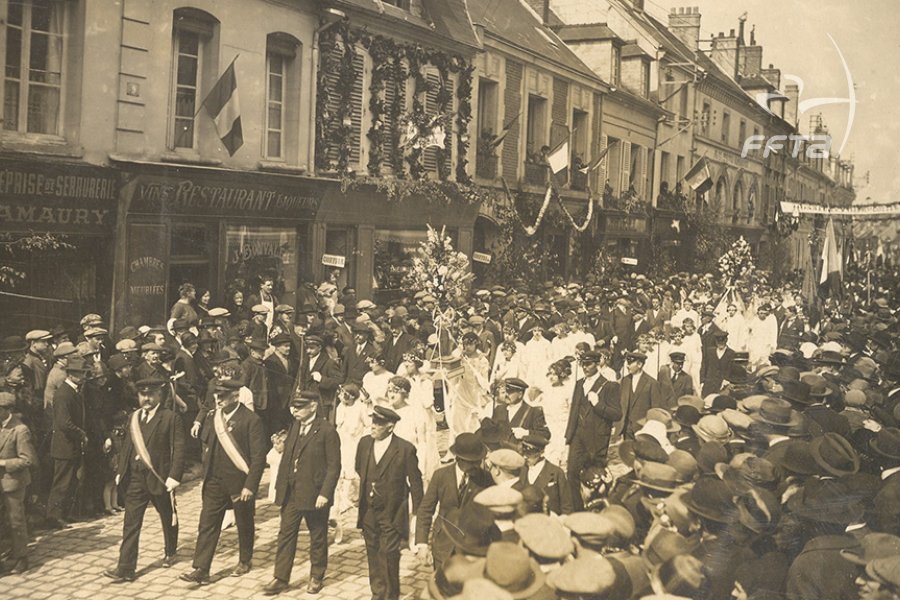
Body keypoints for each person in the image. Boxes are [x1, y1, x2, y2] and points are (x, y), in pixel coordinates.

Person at [180, 379, 266, 584]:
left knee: (244, 522)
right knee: (207, 523)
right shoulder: (213, 417)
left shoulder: (250, 420)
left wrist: (250, 485)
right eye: (217, 396)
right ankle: (201, 568)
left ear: (236, 396)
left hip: (239, 482)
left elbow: (258, 458)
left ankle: (245, 560)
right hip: (214, 481)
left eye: (223, 396)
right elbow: (207, 444)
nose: (218, 400)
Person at [103, 376, 184, 583]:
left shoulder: (170, 417)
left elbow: (179, 449)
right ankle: (126, 567)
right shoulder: (134, 417)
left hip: (160, 477)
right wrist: (121, 471)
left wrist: (174, 476)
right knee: (131, 523)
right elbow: (128, 446)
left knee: (167, 516)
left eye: (151, 394)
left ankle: (170, 550)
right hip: (136, 478)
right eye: (143, 395)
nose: (146, 399)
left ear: (159, 395)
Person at [263, 391, 340, 596]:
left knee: (317, 535)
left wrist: (325, 493)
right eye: (294, 407)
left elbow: (334, 466)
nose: (294, 410)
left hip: (315, 494)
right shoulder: (295, 426)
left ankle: (316, 576)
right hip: (292, 492)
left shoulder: (327, 430)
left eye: (300, 406)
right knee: (286, 534)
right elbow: (289, 458)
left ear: (313, 406)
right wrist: (280, 488)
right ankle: (280, 577)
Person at [355, 406, 423, 600]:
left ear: (390, 427)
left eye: (378, 423)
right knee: (372, 551)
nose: (373, 426)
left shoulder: (404, 449)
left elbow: (415, 482)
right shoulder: (364, 443)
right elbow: (360, 469)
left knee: (390, 554)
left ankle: (391, 595)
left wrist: (418, 514)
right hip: (368, 510)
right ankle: (377, 592)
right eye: (373, 421)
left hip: (392, 512)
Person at [414, 432, 492, 570]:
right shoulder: (441, 476)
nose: (476, 465)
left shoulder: (486, 479)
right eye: (471, 461)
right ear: (459, 459)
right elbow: (425, 510)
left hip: (472, 551)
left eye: (478, 460)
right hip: (443, 546)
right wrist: (422, 544)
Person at [564, 350, 621, 511]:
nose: (585, 367)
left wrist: (598, 405)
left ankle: (598, 508)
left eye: (588, 364)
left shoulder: (609, 386)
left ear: (597, 364)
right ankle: (577, 510)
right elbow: (574, 411)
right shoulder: (579, 383)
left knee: (595, 477)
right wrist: (568, 437)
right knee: (572, 473)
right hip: (578, 437)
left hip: (597, 437)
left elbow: (617, 414)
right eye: (582, 364)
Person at [46, 355, 93, 529]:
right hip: (64, 446)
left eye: (84, 373)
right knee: (62, 482)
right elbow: (63, 423)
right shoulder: (63, 394)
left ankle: (64, 513)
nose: (83, 377)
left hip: (71, 445)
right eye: (80, 374)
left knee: (71, 480)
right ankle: (54, 516)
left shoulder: (74, 391)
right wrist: (81, 434)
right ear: (71, 374)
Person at [0, 391, 37, 575]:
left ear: (8, 410)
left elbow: (27, 459)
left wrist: (4, 463)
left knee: (16, 521)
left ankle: (22, 557)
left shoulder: (20, 430)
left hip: (13, 483)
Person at [515, 433, 573, 516]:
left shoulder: (556, 473)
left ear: (541, 453)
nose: (525, 457)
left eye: (529, 454)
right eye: (523, 453)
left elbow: (567, 507)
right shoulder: (521, 470)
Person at [492, 377, 550, 444]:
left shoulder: (533, 412)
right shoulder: (499, 409)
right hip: (500, 452)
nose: (506, 395)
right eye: (505, 391)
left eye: (510, 392)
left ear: (520, 394)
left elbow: (545, 434)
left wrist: (526, 433)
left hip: (521, 453)